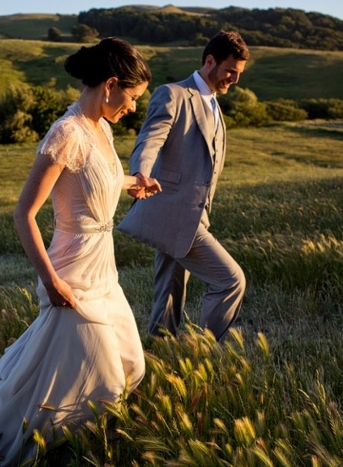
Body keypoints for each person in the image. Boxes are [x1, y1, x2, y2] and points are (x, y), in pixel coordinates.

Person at [0, 38, 160, 467]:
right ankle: (3, 452)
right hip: (71, 272)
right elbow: (23, 214)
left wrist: (131, 183)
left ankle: (57, 445)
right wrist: (52, 281)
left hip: (104, 271)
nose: (134, 108)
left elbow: (93, 180)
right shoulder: (66, 134)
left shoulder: (100, 128)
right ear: (110, 85)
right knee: (96, 376)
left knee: (130, 366)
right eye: (133, 98)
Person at [118, 31, 249, 342]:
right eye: (231, 71)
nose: (235, 79)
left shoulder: (215, 106)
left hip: (193, 216)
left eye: (239, 74)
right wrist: (140, 175)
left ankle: (159, 353)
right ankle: (201, 352)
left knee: (168, 294)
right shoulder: (173, 94)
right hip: (172, 211)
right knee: (231, 281)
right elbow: (150, 139)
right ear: (210, 61)